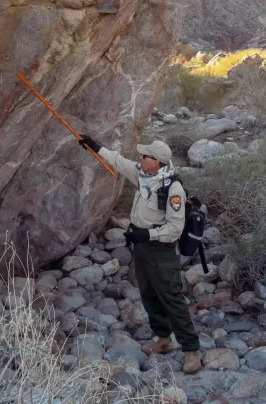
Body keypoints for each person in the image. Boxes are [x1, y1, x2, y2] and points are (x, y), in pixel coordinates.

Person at [78, 135, 202, 374]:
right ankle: (163, 339)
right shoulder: (142, 174)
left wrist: (148, 235)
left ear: (156, 162)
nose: (141, 157)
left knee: (172, 298)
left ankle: (191, 350)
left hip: (162, 250)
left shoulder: (173, 189)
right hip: (142, 248)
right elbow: (118, 160)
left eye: (146, 155)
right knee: (148, 294)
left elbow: (175, 228)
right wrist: (94, 146)